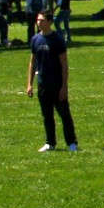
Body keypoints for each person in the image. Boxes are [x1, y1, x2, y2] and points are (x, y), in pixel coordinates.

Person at [27, 12, 78, 152]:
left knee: (64, 115)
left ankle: (72, 143)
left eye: (42, 20)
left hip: (56, 83)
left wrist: (64, 87)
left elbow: (64, 64)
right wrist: (30, 84)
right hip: (42, 84)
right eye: (38, 20)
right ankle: (50, 143)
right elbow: (32, 63)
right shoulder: (35, 39)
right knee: (47, 115)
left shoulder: (57, 40)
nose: (38, 22)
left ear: (49, 22)